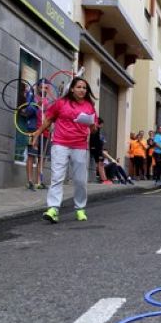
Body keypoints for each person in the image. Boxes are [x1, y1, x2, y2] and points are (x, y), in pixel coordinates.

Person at [32, 77, 98, 223]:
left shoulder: (89, 106)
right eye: (79, 87)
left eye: (84, 88)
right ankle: (53, 209)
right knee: (57, 177)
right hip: (60, 144)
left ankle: (80, 209)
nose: (82, 90)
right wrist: (37, 134)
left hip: (80, 145)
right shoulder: (61, 103)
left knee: (80, 180)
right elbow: (48, 120)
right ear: (72, 89)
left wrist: (92, 126)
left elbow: (93, 129)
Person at [89, 117, 111, 184]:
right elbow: (93, 140)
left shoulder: (96, 129)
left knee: (100, 164)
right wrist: (93, 147)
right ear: (99, 124)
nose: (102, 126)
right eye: (102, 124)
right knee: (100, 164)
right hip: (96, 150)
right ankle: (103, 180)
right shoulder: (95, 130)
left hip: (97, 150)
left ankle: (104, 179)